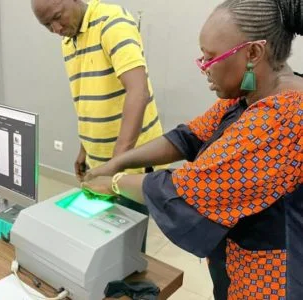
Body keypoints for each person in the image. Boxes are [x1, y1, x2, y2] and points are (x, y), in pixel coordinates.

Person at [82, 0, 303, 299]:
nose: (204, 68)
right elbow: (187, 137)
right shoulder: (247, 95)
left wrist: (112, 184)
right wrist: (118, 162)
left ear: (253, 53)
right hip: (235, 262)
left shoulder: (282, 119)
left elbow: (184, 190)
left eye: (210, 58)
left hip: (270, 280)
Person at [31, 0, 165, 180]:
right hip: (100, 164)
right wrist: (84, 150)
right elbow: (88, 100)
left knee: (128, 209)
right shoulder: (68, 40)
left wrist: (116, 163)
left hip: (133, 164)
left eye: (57, 17)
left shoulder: (112, 22)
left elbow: (139, 92)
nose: (57, 29)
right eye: (47, 25)